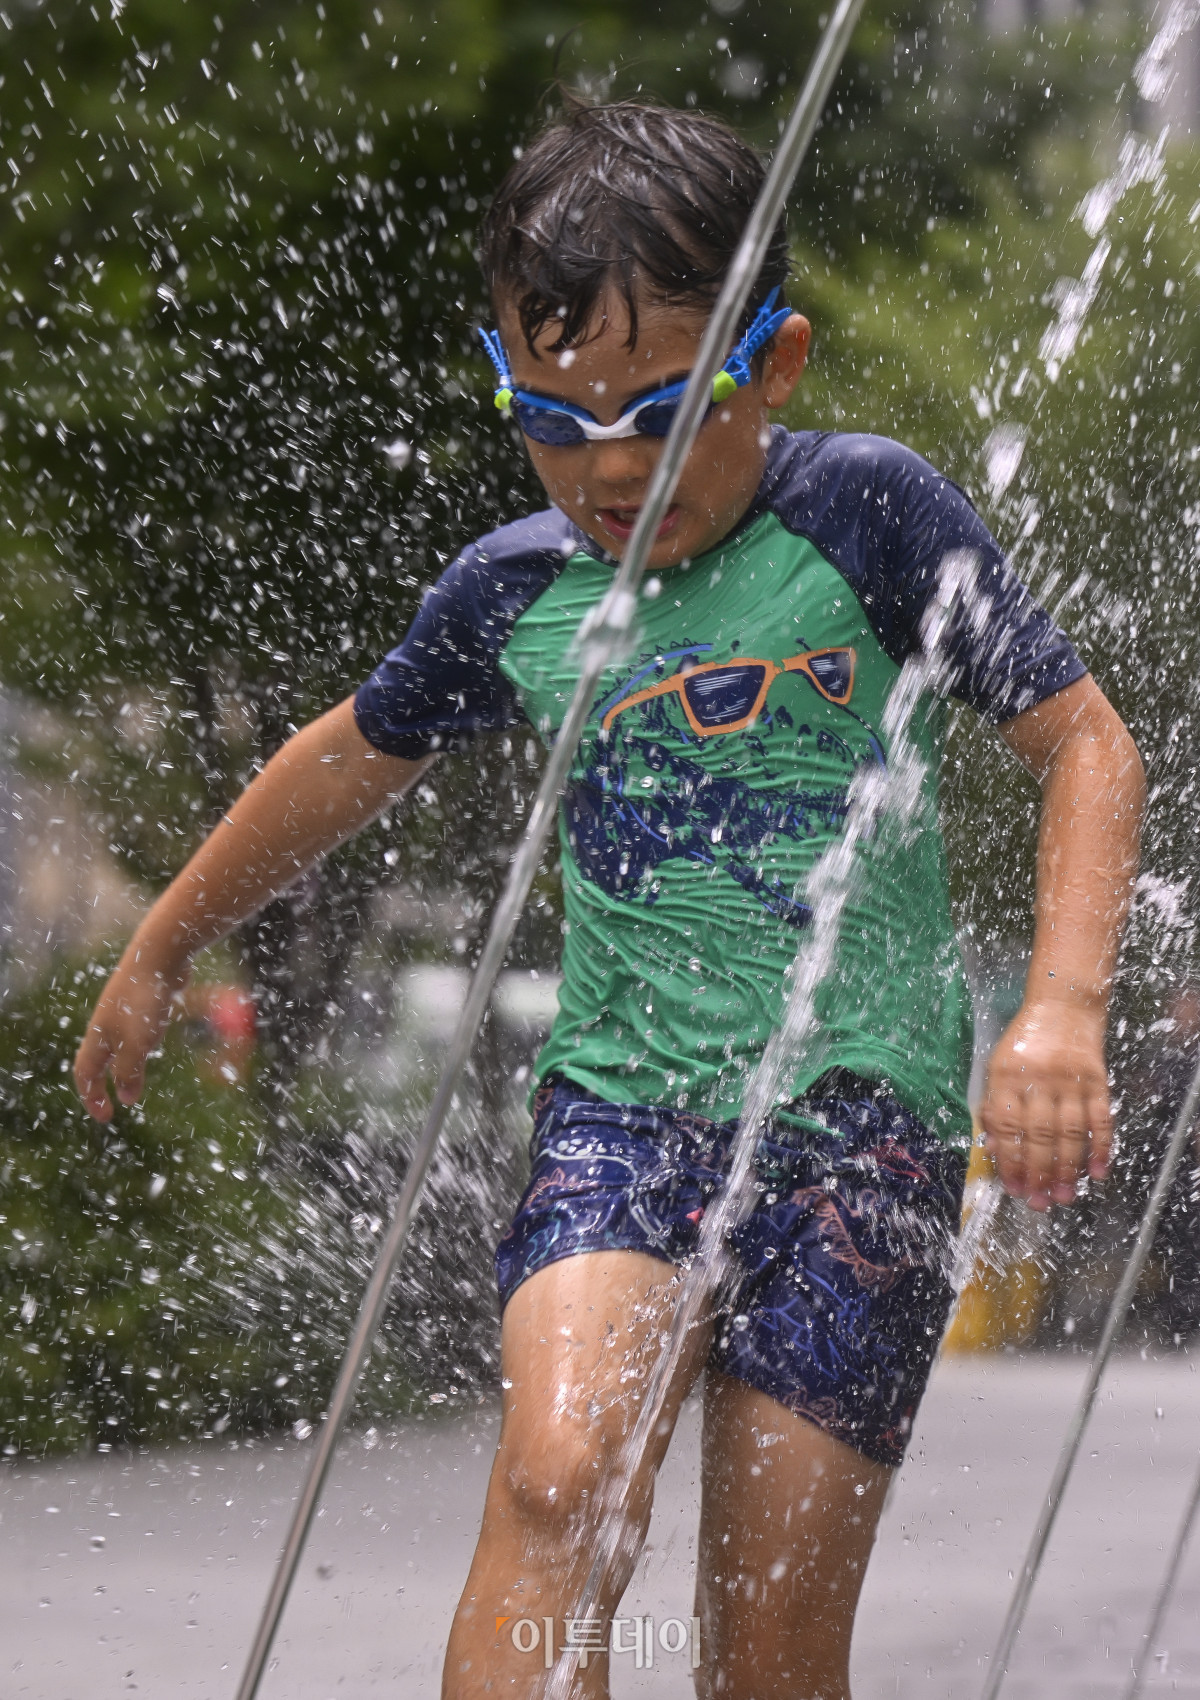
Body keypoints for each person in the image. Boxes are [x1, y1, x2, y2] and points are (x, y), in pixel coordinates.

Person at [74, 100, 1144, 1700]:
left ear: (770, 370)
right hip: (622, 1111)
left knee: (766, 1647)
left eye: (659, 411)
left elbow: (1085, 742)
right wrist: (162, 941)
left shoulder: (866, 516)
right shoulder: (516, 593)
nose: (608, 471)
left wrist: (1060, 1007)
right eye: (552, 421)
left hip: (865, 1130)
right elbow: (344, 759)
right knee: (560, 1479)